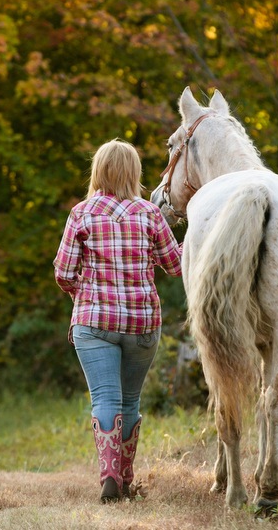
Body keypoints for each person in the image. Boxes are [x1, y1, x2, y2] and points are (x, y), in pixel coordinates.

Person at [53, 139, 182, 503]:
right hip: (142, 324)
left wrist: (84, 292)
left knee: (105, 397)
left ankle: (110, 476)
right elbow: (175, 265)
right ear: (134, 173)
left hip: (93, 322)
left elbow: (63, 272)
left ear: (98, 171)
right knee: (130, 399)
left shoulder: (81, 213)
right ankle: (125, 480)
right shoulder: (150, 214)